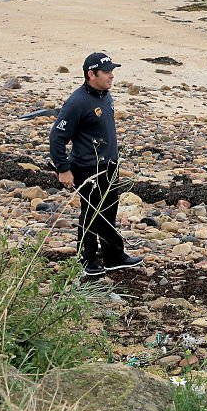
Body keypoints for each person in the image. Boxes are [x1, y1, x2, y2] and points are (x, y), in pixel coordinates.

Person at [49, 52, 144, 276]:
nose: (112, 76)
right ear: (91, 74)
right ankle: (87, 262)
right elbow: (57, 137)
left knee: (108, 213)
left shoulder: (105, 95)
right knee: (91, 215)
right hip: (89, 168)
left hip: (109, 165)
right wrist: (63, 169)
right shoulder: (77, 102)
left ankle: (113, 257)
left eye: (112, 71)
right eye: (107, 72)